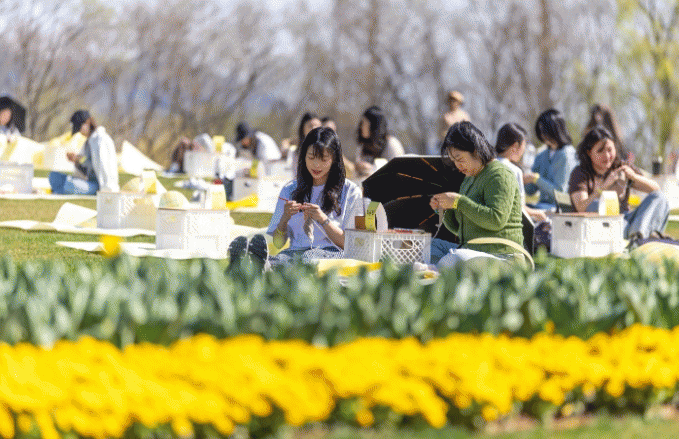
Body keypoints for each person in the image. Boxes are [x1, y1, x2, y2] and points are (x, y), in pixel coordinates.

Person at [228, 127, 363, 268]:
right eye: (311, 158)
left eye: (323, 159)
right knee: (279, 259)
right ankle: (250, 263)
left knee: (307, 260)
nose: (316, 165)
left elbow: (352, 244)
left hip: (331, 254)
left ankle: (257, 266)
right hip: (295, 253)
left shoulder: (351, 191)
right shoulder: (290, 189)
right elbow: (278, 243)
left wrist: (323, 220)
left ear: (334, 159)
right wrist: (284, 218)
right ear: (303, 157)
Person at [429, 121, 524, 267]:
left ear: (475, 150)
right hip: (471, 251)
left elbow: (496, 220)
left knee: (456, 257)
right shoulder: (469, 179)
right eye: (454, 161)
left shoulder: (499, 174)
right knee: (429, 246)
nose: (457, 165)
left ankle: (437, 272)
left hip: (503, 256)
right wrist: (444, 209)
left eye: (460, 159)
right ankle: (436, 271)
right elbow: (459, 229)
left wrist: (459, 202)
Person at [569, 126, 669, 239]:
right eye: (600, 151)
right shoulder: (580, 173)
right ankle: (639, 235)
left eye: (610, 150)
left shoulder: (621, 167)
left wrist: (634, 176)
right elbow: (581, 207)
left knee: (660, 198)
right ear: (589, 153)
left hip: (626, 219)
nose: (607, 156)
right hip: (602, 224)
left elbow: (655, 189)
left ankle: (637, 235)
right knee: (595, 205)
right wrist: (603, 187)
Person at [49, 111, 118, 195]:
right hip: (88, 182)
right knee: (54, 176)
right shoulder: (88, 142)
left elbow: (104, 167)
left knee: (71, 184)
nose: (80, 132)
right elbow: (86, 170)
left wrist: (107, 190)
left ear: (87, 123)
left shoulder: (101, 140)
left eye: (79, 128)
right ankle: (61, 190)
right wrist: (76, 160)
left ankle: (59, 190)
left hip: (99, 186)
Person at [524, 109, 578, 210]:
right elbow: (530, 191)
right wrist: (523, 179)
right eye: (540, 130)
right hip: (542, 206)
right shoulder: (541, 156)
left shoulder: (568, 155)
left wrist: (536, 179)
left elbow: (561, 194)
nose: (541, 134)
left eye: (544, 130)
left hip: (562, 209)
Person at [495, 123, 548, 223]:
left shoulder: (487, 165)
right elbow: (519, 207)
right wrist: (538, 213)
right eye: (524, 145)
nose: (524, 151)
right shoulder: (514, 171)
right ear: (515, 146)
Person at [354, 106, 404, 177]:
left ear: (374, 125)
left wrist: (371, 170)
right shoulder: (363, 146)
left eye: (364, 123)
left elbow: (399, 173)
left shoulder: (392, 145)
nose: (361, 127)